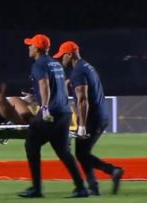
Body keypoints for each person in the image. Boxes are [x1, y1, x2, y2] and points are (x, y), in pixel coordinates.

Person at [19, 34, 88, 198]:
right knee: (63, 152)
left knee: (31, 144)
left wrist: (43, 108)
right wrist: (33, 97)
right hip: (64, 112)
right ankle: (81, 188)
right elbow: (56, 88)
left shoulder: (38, 65)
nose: (29, 48)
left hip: (50, 113)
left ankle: (37, 188)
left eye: (30, 45)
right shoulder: (55, 63)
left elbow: (44, 85)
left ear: (36, 48)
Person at [53, 41, 124, 195]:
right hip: (100, 115)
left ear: (70, 54)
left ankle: (111, 171)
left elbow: (82, 99)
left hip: (93, 118)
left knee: (81, 153)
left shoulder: (78, 71)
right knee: (82, 153)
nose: (61, 60)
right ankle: (95, 185)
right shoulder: (86, 67)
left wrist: (82, 126)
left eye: (62, 56)